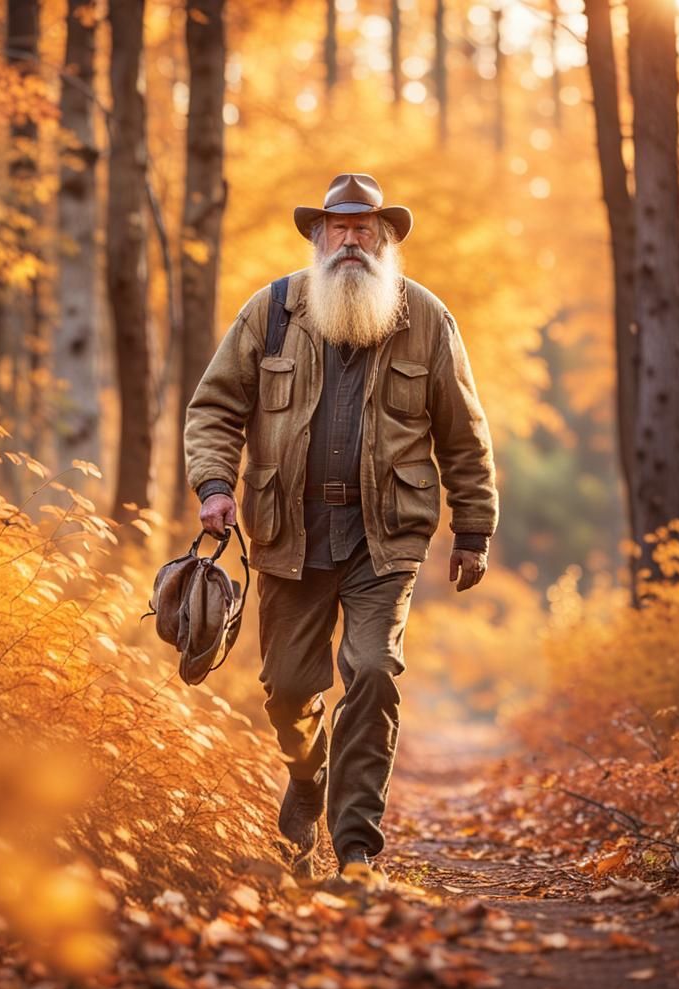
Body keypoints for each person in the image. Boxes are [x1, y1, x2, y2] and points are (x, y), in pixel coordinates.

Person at [183, 172, 499, 881]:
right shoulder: (270, 312)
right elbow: (214, 409)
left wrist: (473, 529)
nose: (351, 240)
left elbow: (464, 436)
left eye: (366, 229)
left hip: (385, 539)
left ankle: (355, 845)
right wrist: (212, 485)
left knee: (373, 671)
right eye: (339, 227)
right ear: (318, 237)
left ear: (385, 239)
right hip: (288, 532)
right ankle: (306, 781)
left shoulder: (426, 318)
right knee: (288, 690)